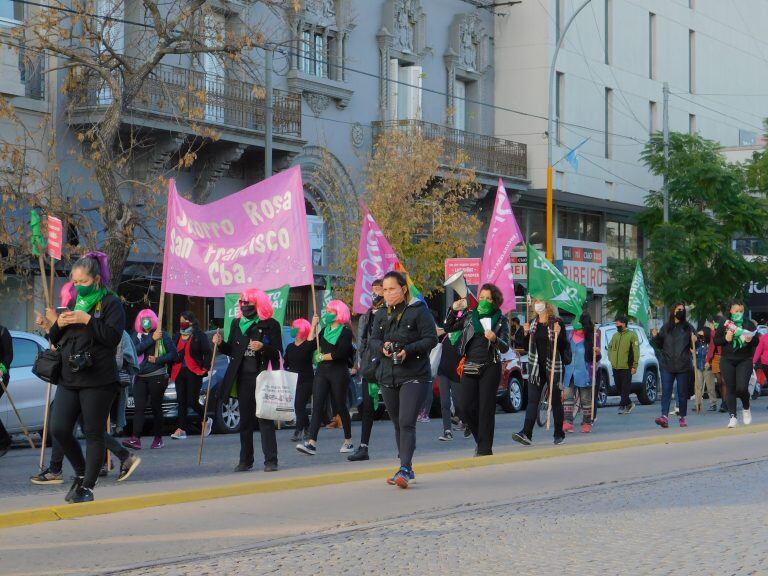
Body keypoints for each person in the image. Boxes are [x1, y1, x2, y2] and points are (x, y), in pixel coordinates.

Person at [46, 252, 125, 503]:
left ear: (97, 280)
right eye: (75, 282)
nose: (78, 286)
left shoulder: (111, 303)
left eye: (83, 282)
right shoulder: (73, 303)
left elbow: (112, 337)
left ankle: (88, 486)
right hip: (70, 376)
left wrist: (87, 319)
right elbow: (56, 339)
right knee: (58, 427)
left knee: (93, 432)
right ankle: (80, 472)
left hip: (99, 378)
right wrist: (57, 323)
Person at [367, 271, 438, 488]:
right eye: (385, 290)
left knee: (407, 422)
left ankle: (405, 469)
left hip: (414, 374)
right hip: (388, 375)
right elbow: (373, 340)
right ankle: (405, 465)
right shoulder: (380, 314)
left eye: (392, 289)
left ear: (403, 289)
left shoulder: (418, 310)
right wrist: (383, 348)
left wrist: (409, 350)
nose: (387, 294)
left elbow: (431, 339)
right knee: (398, 423)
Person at [213, 288, 282, 472]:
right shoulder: (237, 324)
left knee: (264, 419)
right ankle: (245, 460)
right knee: (245, 421)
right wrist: (220, 344)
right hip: (242, 377)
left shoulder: (270, 324)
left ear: (258, 304)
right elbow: (232, 351)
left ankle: (271, 460)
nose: (244, 306)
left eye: (248, 302)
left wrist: (263, 347)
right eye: (242, 302)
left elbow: (277, 352)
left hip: (262, 377)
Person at [444, 283, 509, 456]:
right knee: (465, 407)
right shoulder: (469, 316)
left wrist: (495, 338)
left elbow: (505, 347)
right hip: (470, 365)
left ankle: (485, 448)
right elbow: (448, 327)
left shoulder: (501, 319)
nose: (484, 301)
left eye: (488, 298)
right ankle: (481, 440)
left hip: (490, 365)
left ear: (495, 301)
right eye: (482, 297)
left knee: (486, 408)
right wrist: (452, 310)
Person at [296, 300, 356, 456]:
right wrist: (313, 326)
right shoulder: (323, 331)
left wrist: (323, 356)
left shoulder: (345, 332)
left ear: (339, 314)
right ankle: (311, 443)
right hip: (322, 372)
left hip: (338, 372)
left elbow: (341, 353)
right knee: (317, 406)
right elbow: (309, 346)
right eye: (327, 311)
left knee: (340, 406)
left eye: (331, 311)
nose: (327, 314)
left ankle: (348, 441)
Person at [513, 299, 568, 446]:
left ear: (548, 304)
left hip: (553, 367)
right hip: (536, 368)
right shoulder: (532, 323)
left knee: (555, 401)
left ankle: (559, 434)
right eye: (536, 301)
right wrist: (525, 333)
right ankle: (526, 433)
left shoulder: (556, 322)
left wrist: (559, 334)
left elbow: (563, 346)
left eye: (540, 301)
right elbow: (525, 347)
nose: (537, 304)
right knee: (532, 401)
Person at [123, 309, 178, 449]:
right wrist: (151, 340)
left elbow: (174, 355)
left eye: (148, 318)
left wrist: (158, 359)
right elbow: (134, 351)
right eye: (143, 318)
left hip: (157, 376)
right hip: (140, 377)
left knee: (156, 407)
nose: (145, 321)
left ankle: (158, 438)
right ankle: (135, 438)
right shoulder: (136, 335)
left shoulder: (162, 335)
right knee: (139, 408)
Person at [349, 279, 385, 461]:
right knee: (367, 407)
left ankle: (404, 445)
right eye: (374, 290)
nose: (376, 293)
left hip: (386, 363)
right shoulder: (366, 315)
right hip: (369, 365)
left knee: (395, 408)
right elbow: (362, 341)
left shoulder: (392, 313)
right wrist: (360, 363)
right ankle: (363, 447)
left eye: (379, 289)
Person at [714, 302, 758, 428]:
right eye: (736, 311)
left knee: (742, 388)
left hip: (744, 360)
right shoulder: (725, 324)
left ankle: (746, 407)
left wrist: (750, 339)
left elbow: (756, 340)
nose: (739, 313)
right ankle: (733, 417)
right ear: (731, 311)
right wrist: (725, 339)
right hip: (727, 360)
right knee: (730, 388)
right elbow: (716, 340)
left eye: (741, 311)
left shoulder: (747, 323)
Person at [170, 311, 213, 441]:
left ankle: (205, 419)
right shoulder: (177, 335)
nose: (182, 324)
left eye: (184, 321)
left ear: (191, 322)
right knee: (181, 400)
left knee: (192, 401)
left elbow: (208, 352)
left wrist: (205, 368)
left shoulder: (199, 336)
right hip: (179, 371)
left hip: (194, 371)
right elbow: (172, 352)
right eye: (180, 321)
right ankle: (181, 429)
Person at [651, 304, 695, 429]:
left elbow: (694, 344)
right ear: (673, 311)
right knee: (666, 392)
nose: (680, 312)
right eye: (678, 310)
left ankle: (682, 417)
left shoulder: (688, 327)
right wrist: (655, 337)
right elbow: (659, 344)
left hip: (683, 365)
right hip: (667, 365)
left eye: (682, 310)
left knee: (682, 392)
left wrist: (696, 339)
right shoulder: (666, 327)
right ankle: (664, 416)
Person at [563, 312, 601, 433]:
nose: (577, 331)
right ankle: (568, 422)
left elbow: (597, 357)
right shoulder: (569, 336)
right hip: (569, 372)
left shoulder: (592, 337)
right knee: (568, 398)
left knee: (585, 399)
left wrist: (597, 352)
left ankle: (587, 423)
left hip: (584, 373)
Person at [284, 318, 315, 443]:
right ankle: (307, 428)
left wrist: (313, 325)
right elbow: (285, 362)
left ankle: (298, 430)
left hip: (306, 380)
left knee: (299, 405)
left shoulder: (308, 345)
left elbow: (312, 341)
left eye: (294, 327)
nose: (291, 329)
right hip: (293, 381)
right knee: (299, 406)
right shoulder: (290, 347)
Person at [436, 311, 463, 442]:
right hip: (443, 372)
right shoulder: (445, 334)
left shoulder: (464, 335)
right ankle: (447, 431)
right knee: (445, 402)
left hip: (457, 373)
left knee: (459, 402)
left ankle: (463, 421)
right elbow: (433, 333)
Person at [607, 315, 639, 415]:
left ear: (623, 323)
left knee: (625, 387)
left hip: (626, 366)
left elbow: (636, 351)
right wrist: (611, 359)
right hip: (615, 366)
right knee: (619, 387)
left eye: (618, 322)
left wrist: (634, 365)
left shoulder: (632, 335)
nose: (616, 324)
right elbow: (610, 348)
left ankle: (622, 405)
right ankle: (629, 403)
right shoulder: (615, 336)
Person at [706, 316, 728, 412]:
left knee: (724, 381)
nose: (709, 326)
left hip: (724, 356)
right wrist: (708, 360)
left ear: (714, 322)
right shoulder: (713, 332)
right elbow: (711, 346)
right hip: (715, 357)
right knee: (719, 381)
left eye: (710, 324)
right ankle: (724, 401)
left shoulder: (725, 330)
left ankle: (725, 403)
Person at [694, 326, 718, 412]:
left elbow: (711, 353)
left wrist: (709, 362)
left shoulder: (709, 343)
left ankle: (713, 403)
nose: (700, 332)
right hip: (698, 366)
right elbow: (694, 350)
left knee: (710, 386)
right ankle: (698, 403)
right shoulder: (698, 342)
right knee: (698, 386)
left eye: (701, 331)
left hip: (707, 367)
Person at [0, 320, 13, 458]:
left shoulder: (3, 332)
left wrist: (2, 368)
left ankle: (4, 441)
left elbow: (9, 355)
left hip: (1, 375)